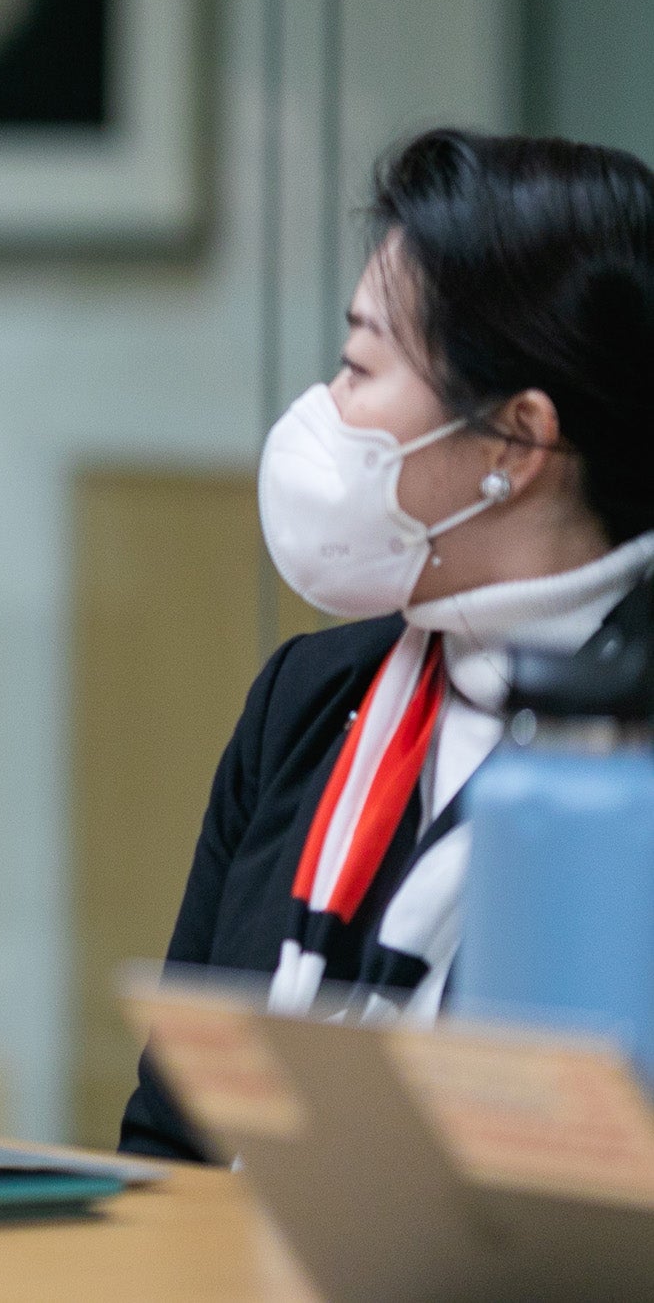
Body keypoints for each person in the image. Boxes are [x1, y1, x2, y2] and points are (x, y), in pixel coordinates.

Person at [122, 129, 654, 1160]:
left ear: (515, 442)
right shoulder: (310, 698)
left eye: (359, 365)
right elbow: (169, 1135)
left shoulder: (624, 760)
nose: (324, 413)